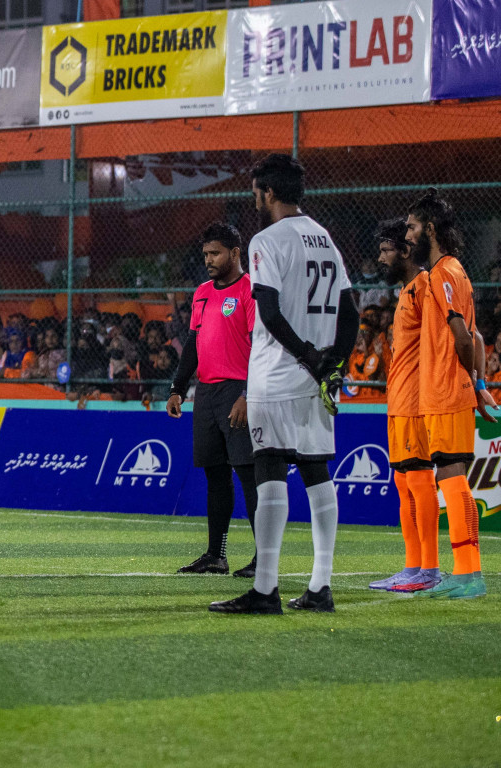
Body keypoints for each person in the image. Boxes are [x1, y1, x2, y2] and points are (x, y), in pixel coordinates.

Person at [210, 155, 355, 615]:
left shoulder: (266, 240)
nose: (254, 199)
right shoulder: (325, 238)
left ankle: (266, 589)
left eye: (256, 191)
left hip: (277, 375)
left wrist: (306, 355)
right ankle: (320, 585)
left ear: (268, 193)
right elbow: (350, 309)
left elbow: (268, 312)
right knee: (316, 470)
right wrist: (333, 365)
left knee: (269, 465)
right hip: (315, 382)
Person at [406, 190, 492, 599]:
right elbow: (475, 336)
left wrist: (469, 383)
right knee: (454, 478)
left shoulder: (441, 273)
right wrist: (477, 384)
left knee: (451, 477)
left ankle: (467, 574)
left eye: (412, 226)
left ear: (431, 229)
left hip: (444, 390)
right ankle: (468, 571)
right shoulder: (457, 270)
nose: (408, 234)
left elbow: (462, 336)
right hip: (454, 389)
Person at [168, 222, 259, 578]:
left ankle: (263, 557)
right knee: (215, 475)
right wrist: (178, 387)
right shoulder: (202, 292)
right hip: (205, 392)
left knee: (249, 475)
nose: (208, 259)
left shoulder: (251, 289)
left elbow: (260, 345)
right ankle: (215, 555)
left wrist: (249, 394)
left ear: (236, 253)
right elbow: (193, 343)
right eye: (205, 253)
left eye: (215, 253)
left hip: (237, 391)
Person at [368, 218, 441, 592]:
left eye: (386, 251)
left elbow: (445, 339)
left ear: (406, 251)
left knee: (419, 479)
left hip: (415, 401)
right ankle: (412, 567)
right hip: (397, 401)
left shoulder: (425, 287)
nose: (381, 258)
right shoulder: (406, 291)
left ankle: (429, 568)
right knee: (402, 483)